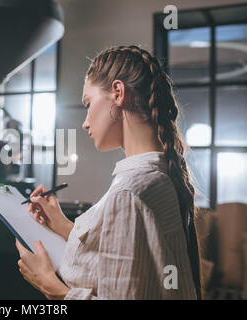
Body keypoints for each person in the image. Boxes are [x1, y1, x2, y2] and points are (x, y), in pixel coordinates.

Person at [15, 45, 202, 300]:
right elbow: (123, 257)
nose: (85, 122)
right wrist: (60, 224)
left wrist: (51, 286)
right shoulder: (157, 179)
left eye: (88, 103)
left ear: (117, 92)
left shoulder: (129, 192)